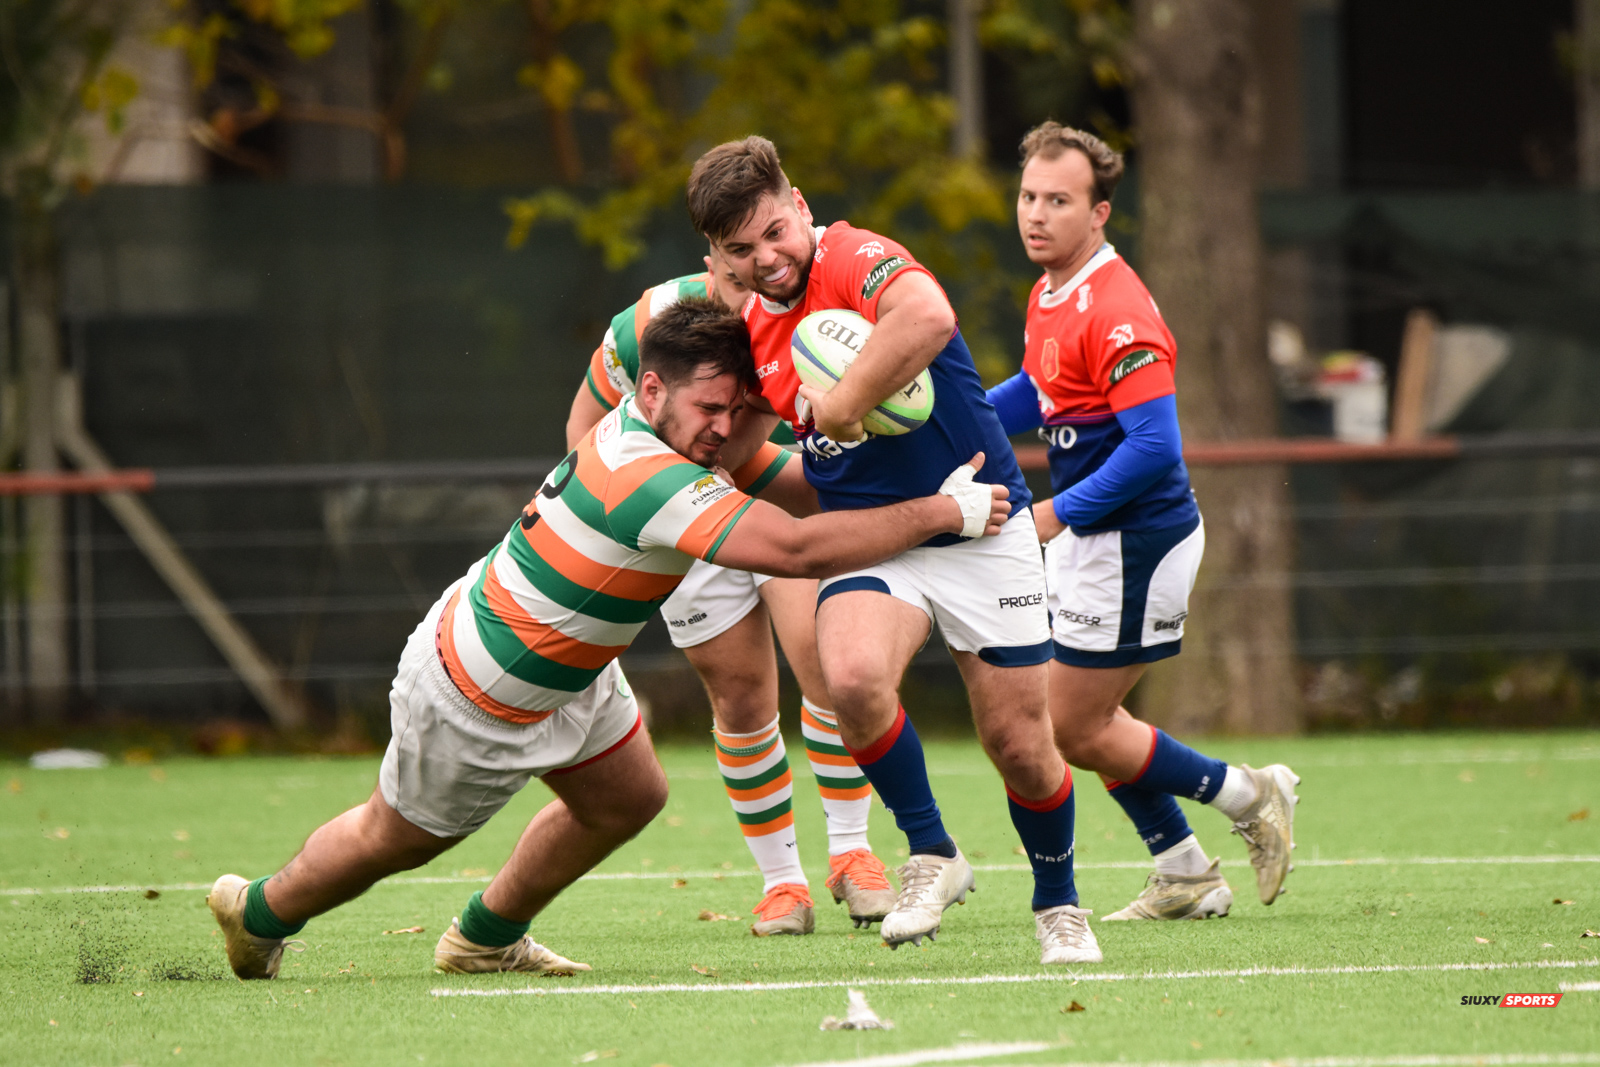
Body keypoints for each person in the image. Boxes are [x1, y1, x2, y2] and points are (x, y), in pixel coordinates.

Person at [206, 299, 1009, 980]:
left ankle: (484, 937)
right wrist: (942, 513)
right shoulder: (651, 475)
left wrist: (898, 467)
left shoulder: (681, 434)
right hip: (479, 689)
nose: (725, 428)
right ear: (651, 389)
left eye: (736, 410)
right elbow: (796, 547)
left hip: (567, 666)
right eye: (710, 409)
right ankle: (259, 912)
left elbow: (803, 487)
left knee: (629, 798)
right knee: (393, 838)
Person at [686, 136, 1102, 965]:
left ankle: (1059, 901)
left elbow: (928, 315)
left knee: (1020, 745)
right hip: (876, 538)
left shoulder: (853, 256)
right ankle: (932, 850)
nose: (766, 258)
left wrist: (842, 403)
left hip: (982, 519)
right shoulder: (751, 331)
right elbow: (737, 451)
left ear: (800, 207)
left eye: (775, 232)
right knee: (849, 677)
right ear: (718, 256)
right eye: (741, 248)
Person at [985, 121, 1299, 922]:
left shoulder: (1116, 305)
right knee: (1081, 718)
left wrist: (1055, 513)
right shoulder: (1051, 290)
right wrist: (954, 423)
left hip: (1137, 542)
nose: (1037, 214)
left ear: (1100, 213)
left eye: (1059, 201)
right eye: (1029, 196)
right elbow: (1038, 387)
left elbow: (1156, 447)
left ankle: (1248, 793)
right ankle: (1185, 869)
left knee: (1069, 723)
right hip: (1093, 538)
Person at [563, 250, 896, 936]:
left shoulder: (805, 313)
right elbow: (582, 431)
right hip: (680, 515)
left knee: (827, 666)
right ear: (710, 257)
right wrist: (645, 509)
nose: (750, 293)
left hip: (763, 499)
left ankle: (851, 853)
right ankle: (782, 886)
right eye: (734, 275)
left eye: (758, 276)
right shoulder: (645, 323)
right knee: (740, 697)